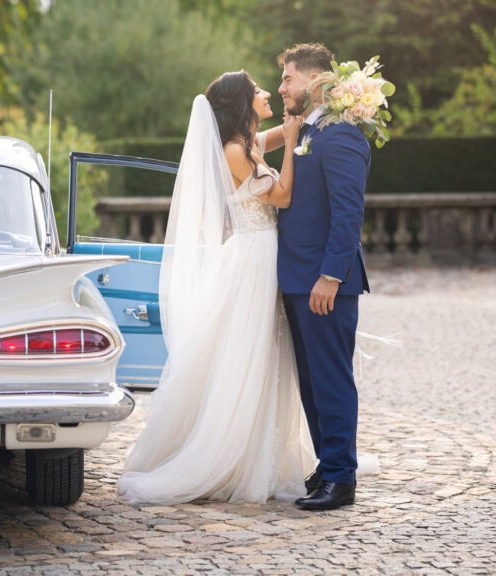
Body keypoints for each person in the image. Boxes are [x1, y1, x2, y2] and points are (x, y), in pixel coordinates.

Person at [117, 71, 314, 504]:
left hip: (263, 253)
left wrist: (306, 116)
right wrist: (293, 144)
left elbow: (286, 131)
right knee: (249, 351)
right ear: (242, 101)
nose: (267, 93)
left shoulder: (249, 142)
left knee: (265, 351)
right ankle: (228, 457)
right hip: (253, 257)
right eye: (258, 90)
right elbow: (282, 196)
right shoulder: (234, 151)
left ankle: (258, 454)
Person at [276, 43, 371, 511]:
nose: (281, 88)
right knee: (312, 383)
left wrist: (331, 275)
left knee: (331, 380)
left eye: (288, 78)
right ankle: (327, 464)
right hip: (298, 279)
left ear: (314, 81)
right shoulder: (309, 130)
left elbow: (348, 213)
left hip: (324, 281)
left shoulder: (341, 135)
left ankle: (341, 478)